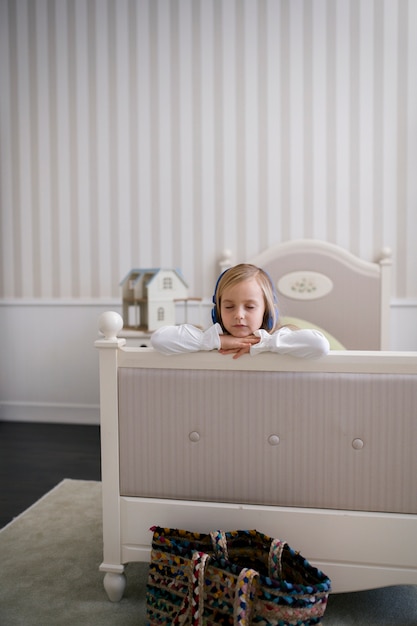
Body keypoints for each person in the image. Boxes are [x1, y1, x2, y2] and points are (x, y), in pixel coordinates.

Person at [151, 263, 330, 359]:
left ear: (266, 311)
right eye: (229, 307)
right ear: (218, 311)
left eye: (250, 307)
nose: (238, 315)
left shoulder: (282, 338)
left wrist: (263, 343)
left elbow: (319, 346)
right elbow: (160, 339)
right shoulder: (209, 340)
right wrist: (219, 341)